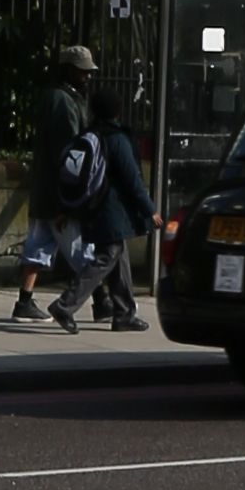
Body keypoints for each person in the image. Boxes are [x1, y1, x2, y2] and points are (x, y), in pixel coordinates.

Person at [11, 40, 104, 331]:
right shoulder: (64, 102)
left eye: (88, 72)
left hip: (45, 190)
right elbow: (71, 151)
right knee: (84, 254)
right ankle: (101, 301)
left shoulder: (55, 96)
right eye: (81, 71)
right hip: (60, 193)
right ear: (68, 70)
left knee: (37, 247)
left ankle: (24, 301)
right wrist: (71, 199)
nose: (87, 76)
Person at [84, 73, 151, 331]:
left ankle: (124, 312)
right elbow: (132, 180)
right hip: (112, 209)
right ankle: (67, 303)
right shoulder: (117, 138)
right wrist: (149, 210)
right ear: (118, 111)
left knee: (117, 256)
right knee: (108, 256)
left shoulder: (90, 135)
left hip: (94, 205)